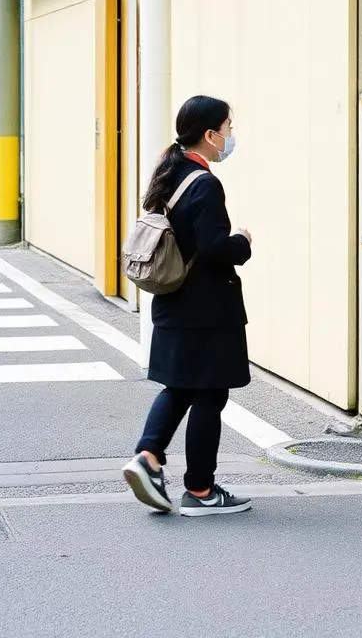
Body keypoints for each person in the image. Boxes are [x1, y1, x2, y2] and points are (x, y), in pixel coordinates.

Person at [122, 95, 254, 517]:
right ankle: (200, 491)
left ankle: (148, 456)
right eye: (228, 128)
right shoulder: (204, 183)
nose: (231, 136)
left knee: (179, 387)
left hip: (173, 303)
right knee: (211, 395)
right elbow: (215, 248)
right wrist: (243, 243)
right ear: (211, 134)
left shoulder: (170, 167)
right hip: (207, 310)